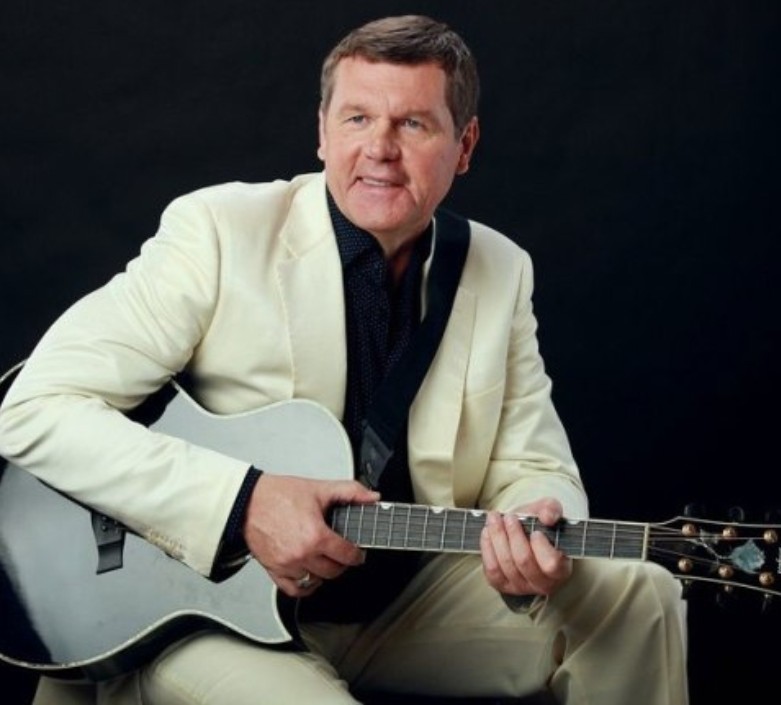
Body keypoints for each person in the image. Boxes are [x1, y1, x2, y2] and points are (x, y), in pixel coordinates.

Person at [0, 14, 688, 705]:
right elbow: (33, 409)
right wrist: (243, 503)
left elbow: (534, 465)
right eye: (357, 118)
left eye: (413, 124)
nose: (380, 150)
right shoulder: (219, 232)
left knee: (639, 593)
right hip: (206, 615)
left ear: (465, 144)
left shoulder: (498, 268)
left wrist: (533, 526)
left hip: (398, 608)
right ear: (322, 132)